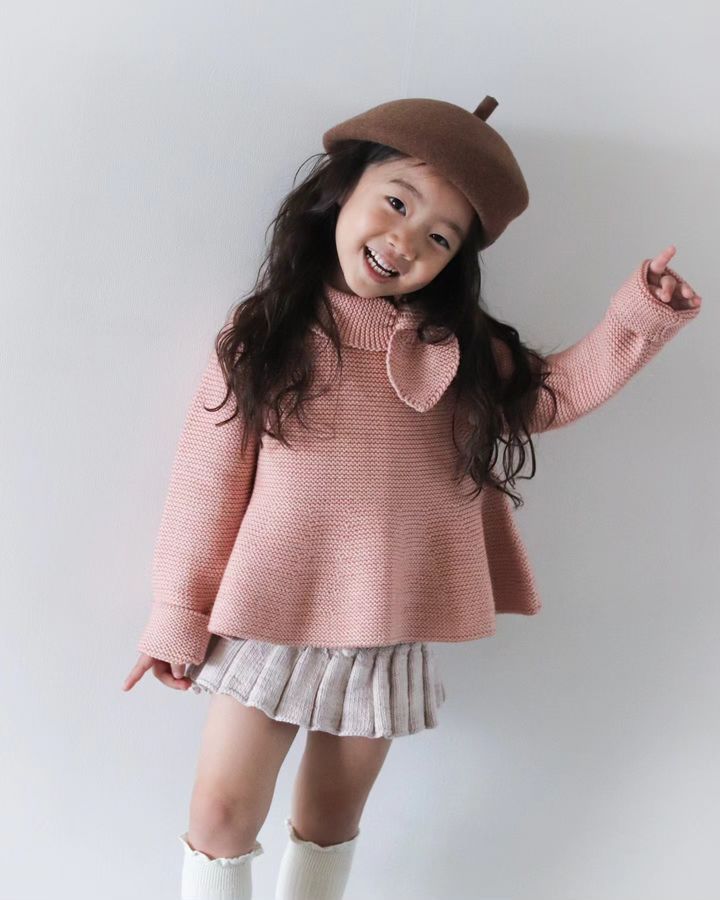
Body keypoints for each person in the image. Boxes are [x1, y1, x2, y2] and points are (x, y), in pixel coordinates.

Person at [121, 95, 702, 900]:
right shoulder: (265, 335)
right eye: (397, 203)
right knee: (221, 813)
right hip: (270, 613)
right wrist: (178, 614)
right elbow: (205, 484)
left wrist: (637, 317)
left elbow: (553, 394)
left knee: (330, 821)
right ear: (341, 190)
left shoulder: (455, 351)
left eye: (439, 237)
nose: (405, 241)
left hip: (388, 617)